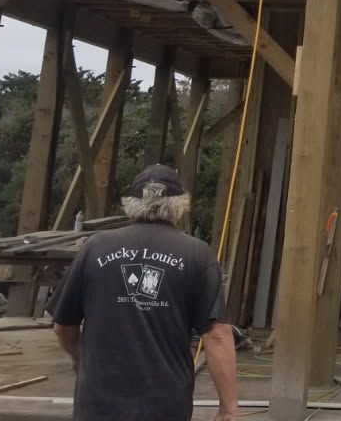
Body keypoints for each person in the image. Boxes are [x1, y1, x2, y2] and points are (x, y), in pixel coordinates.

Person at [51, 165, 238, 421]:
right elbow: (216, 335)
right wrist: (228, 408)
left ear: (131, 203)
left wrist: (79, 357)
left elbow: (63, 326)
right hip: (165, 405)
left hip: (98, 404)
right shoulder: (197, 254)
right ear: (180, 205)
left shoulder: (94, 247)